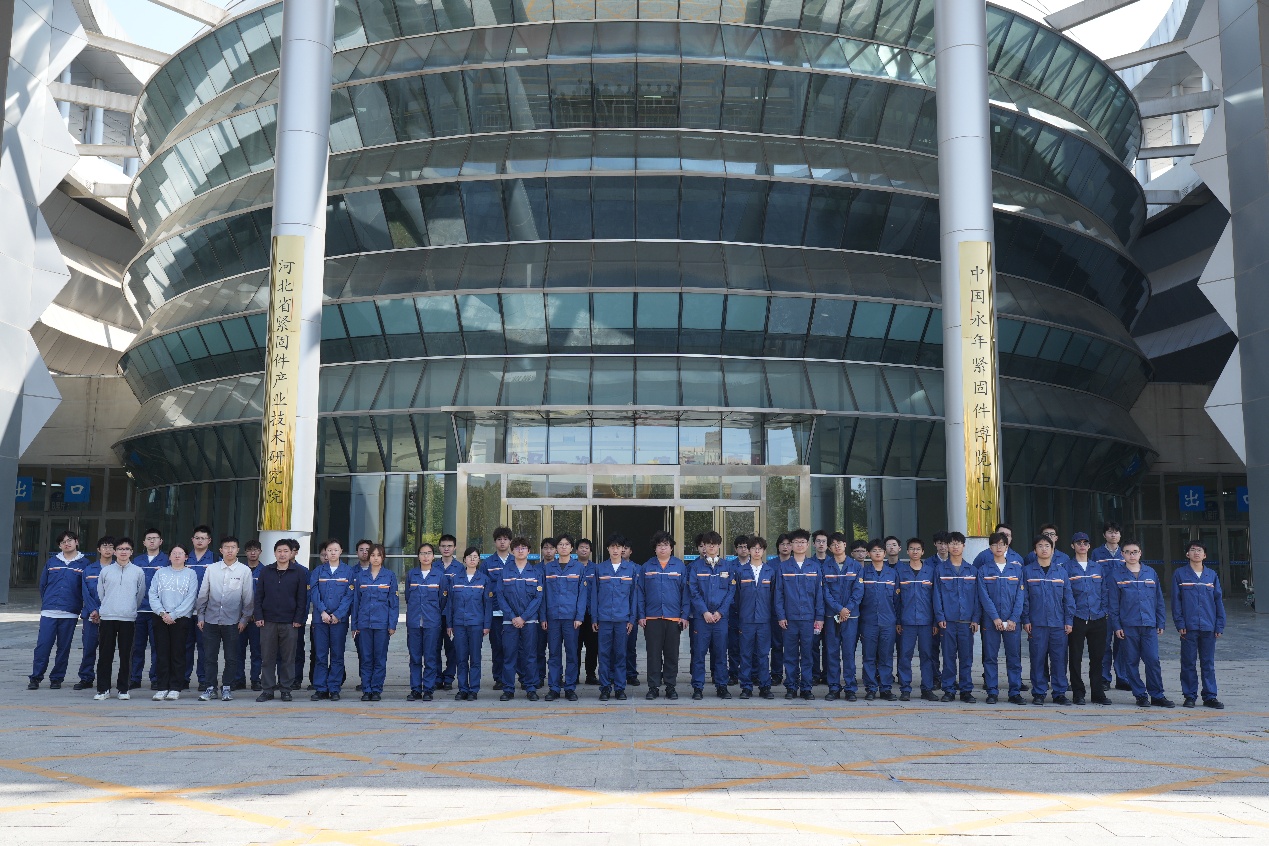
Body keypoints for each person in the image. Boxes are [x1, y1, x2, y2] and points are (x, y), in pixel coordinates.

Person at [1109, 541, 1174, 708]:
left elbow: (1159, 599)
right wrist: (1117, 626)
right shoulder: (1116, 575)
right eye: (1128, 552)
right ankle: (1140, 695)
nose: (1132, 555)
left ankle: (1157, 695)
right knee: (1131, 662)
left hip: (1148, 624)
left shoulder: (1150, 573)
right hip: (1128, 625)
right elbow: (1113, 604)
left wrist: (1160, 621)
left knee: (1153, 660)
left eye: (1135, 552)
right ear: (1122, 554)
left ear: (1140, 553)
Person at [194, 536, 253, 702]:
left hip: (233, 622)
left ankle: (227, 687)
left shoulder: (244, 571)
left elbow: (248, 598)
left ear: (238, 550)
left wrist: (244, 619)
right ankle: (210, 687)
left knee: (231, 657)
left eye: (233, 547)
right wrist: (200, 615)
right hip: (210, 620)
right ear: (221, 550)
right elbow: (203, 594)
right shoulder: (212, 569)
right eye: (226, 547)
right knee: (209, 657)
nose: (229, 550)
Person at [28, 530, 86, 690]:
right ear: (59, 546)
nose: (67, 544)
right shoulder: (52, 562)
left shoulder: (84, 564)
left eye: (70, 540)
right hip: (49, 611)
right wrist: (48, 601)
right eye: (63, 542)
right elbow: (43, 585)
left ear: (76, 542)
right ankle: (35, 677)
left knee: (63, 648)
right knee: (43, 646)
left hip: (70, 612)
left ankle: (57, 678)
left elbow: (85, 589)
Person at [1021, 535, 1074, 706]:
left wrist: (1069, 620)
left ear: (1052, 550)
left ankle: (1059, 693)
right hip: (1037, 624)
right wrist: (1026, 619)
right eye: (1040, 546)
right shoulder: (1027, 571)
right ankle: (1039, 692)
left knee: (1059, 659)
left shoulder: (1061, 572)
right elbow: (1024, 598)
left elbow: (1068, 598)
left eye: (1047, 546)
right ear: (1034, 550)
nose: (1044, 549)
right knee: (1037, 659)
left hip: (1058, 624)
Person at [1172, 540, 1225, 709]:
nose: (1196, 553)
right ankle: (1189, 695)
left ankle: (1210, 696)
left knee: (1208, 663)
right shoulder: (1180, 574)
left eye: (1199, 550)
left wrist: (1219, 624)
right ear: (1187, 554)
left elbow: (1218, 600)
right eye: (1193, 550)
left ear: (1205, 555)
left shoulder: (1211, 575)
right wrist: (1180, 623)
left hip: (1209, 625)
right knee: (1188, 662)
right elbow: (1176, 602)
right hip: (1189, 627)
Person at [637, 530, 689, 701]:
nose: (663, 548)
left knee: (671, 654)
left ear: (671, 548)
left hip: (673, 618)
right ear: (655, 548)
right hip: (652, 618)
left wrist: (684, 615)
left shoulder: (679, 566)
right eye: (659, 545)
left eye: (666, 545)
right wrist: (641, 615)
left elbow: (686, 593)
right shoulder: (647, 567)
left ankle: (670, 686)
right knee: (653, 654)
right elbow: (640, 592)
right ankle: (653, 687)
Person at [254, 539, 308, 702]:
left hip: (290, 622)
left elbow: (302, 598)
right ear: (274, 553)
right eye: (279, 551)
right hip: (268, 621)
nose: (282, 554)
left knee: (288, 658)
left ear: (291, 553)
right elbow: (258, 596)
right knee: (267, 657)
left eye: (285, 551)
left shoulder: (299, 572)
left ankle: (286, 689)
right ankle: (267, 690)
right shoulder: (266, 571)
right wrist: (259, 616)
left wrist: (298, 619)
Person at [93, 537, 146, 700]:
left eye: (127, 549)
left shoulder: (138, 572)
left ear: (131, 552)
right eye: (120, 549)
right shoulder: (106, 571)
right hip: (108, 617)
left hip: (128, 618)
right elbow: (101, 594)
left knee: (126, 655)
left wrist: (129, 608)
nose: (124, 552)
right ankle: (103, 689)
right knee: (105, 655)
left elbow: (140, 595)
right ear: (115, 552)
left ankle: (123, 689)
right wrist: (108, 607)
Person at [775, 529, 824, 701]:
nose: (800, 545)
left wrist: (819, 618)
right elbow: (778, 594)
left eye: (803, 542)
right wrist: (781, 616)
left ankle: (806, 688)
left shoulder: (814, 567)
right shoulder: (783, 567)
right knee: (790, 655)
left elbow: (819, 595)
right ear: (791, 545)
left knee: (808, 654)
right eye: (796, 542)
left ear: (808, 545)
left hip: (809, 619)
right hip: (790, 619)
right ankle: (791, 686)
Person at [978, 532, 1026, 705]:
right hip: (991, 621)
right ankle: (992, 691)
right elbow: (984, 597)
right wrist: (995, 618)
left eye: (1001, 544)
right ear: (990, 548)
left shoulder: (1016, 570)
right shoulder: (984, 570)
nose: (998, 547)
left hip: (1012, 622)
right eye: (994, 544)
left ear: (1007, 547)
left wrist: (1014, 618)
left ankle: (1015, 692)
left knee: (1014, 657)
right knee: (990, 657)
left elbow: (1020, 596)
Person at [688, 531, 735, 700]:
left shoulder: (727, 567)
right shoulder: (696, 567)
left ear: (719, 546)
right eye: (708, 544)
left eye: (714, 544)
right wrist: (704, 611)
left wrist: (720, 612)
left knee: (721, 654)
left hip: (720, 618)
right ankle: (698, 687)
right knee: (699, 654)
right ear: (704, 547)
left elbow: (731, 591)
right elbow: (693, 591)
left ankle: (722, 686)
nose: (711, 547)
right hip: (702, 618)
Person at [148, 543, 199, 701]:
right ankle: (162, 687)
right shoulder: (160, 573)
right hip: (160, 617)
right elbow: (152, 594)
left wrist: (174, 615)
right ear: (169, 556)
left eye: (180, 553)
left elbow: (191, 597)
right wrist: (163, 613)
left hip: (181, 618)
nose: (177, 555)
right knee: (162, 653)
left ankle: (176, 687)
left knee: (178, 653)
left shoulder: (191, 574)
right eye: (174, 553)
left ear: (186, 557)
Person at [1066, 531, 1111, 705]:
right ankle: (1078, 693)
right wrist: (1070, 616)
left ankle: (1098, 693)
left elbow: (1104, 590)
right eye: (1078, 543)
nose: (1082, 545)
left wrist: (1104, 611)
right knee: (1075, 657)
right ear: (1073, 546)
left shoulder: (1097, 567)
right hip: (1077, 617)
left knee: (1098, 658)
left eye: (1085, 542)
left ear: (1089, 546)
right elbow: (1066, 594)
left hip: (1098, 618)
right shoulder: (1067, 568)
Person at [496, 537, 544, 700]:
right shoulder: (505, 572)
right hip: (510, 622)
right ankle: (508, 689)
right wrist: (513, 617)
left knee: (530, 656)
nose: (520, 550)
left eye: (524, 548)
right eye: (517, 548)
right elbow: (500, 596)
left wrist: (523, 617)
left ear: (529, 551)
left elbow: (538, 597)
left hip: (529, 622)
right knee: (509, 656)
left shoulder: (536, 572)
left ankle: (531, 688)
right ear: (512, 551)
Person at [543, 534, 588, 702]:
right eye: (560, 544)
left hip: (571, 618)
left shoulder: (578, 568)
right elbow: (543, 595)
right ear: (556, 548)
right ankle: (554, 688)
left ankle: (570, 687)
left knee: (572, 654)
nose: (563, 547)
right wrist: (543, 617)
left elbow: (582, 595)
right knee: (554, 653)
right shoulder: (548, 568)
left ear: (571, 548)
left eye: (566, 544)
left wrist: (579, 616)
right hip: (553, 617)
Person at [592, 533, 638, 701]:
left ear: (623, 549)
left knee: (620, 654)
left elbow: (634, 597)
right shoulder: (600, 569)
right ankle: (605, 687)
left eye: (619, 547)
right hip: (604, 619)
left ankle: (619, 688)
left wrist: (631, 619)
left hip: (622, 619)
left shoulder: (631, 569)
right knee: (604, 654)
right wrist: (594, 618)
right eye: (612, 547)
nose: (616, 550)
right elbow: (594, 595)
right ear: (608, 549)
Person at [936, 532, 979, 703]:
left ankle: (966, 690)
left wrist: (976, 618)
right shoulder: (940, 570)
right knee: (948, 657)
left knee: (966, 658)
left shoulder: (972, 570)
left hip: (966, 622)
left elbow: (977, 597)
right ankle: (949, 690)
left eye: (958, 543)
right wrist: (940, 616)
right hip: (948, 622)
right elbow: (936, 595)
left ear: (964, 546)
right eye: (952, 543)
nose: (955, 547)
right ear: (947, 546)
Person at [351, 543, 397, 701]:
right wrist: (354, 625)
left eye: (379, 555)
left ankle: (376, 689)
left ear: (383, 557)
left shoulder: (389, 576)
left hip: (382, 624)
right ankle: (366, 689)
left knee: (380, 658)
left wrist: (392, 624)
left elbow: (393, 603)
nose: (375, 558)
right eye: (372, 555)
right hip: (364, 624)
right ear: (368, 557)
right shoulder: (361, 577)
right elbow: (356, 602)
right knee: (366, 658)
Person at [310, 539, 355, 701]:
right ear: (325, 553)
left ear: (341, 551)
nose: (333, 553)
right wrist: (322, 611)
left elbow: (349, 595)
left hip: (339, 621)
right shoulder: (318, 571)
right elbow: (314, 593)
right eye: (329, 550)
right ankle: (321, 688)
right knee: (320, 655)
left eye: (336, 550)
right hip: (320, 620)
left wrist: (338, 614)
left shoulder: (348, 572)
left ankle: (334, 688)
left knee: (337, 655)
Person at [896, 538, 939, 702]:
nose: (915, 551)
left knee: (927, 655)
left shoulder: (930, 571)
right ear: (907, 551)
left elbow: (935, 598)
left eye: (918, 549)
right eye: (912, 549)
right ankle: (905, 689)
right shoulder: (901, 572)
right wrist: (898, 621)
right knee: (905, 656)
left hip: (926, 622)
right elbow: (897, 600)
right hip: (907, 622)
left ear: (923, 552)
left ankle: (927, 688)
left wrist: (935, 622)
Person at [821, 532, 863, 702]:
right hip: (832, 616)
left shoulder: (856, 566)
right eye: (833, 544)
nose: (837, 546)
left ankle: (850, 688)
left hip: (850, 617)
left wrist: (847, 609)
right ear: (829, 548)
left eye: (840, 543)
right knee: (832, 652)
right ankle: (833, 688)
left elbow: (858, 591)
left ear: (845, 545)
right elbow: (825, 592)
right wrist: (839, 609)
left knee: (849, 653)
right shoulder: (825, 567)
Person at [733, 536, 775, 699]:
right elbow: (736, 596)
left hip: (764, 620)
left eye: (760, 548)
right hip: (746, 620)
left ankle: (765, 686)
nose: (757, 551)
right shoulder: (740, 571)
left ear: (763, 551)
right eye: (753, 548)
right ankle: (746, 687)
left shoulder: (770, 571)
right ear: (749, 550)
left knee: (763, 655)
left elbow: (774, 596)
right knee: (745, 654)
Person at [449, 547, 493, 700]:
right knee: (461, 658)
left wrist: (487, 625)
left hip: (476, 624)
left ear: (479, 560)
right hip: (459, 624)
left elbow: (488, 604)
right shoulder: (455, 579)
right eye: (469, 556)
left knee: (475, 658)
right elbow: (450, 604)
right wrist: (449, 624)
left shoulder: (484, 579)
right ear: (464, 559)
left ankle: (473, 689)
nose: (472, 559)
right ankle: (462, 689)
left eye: (475, 557)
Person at [405, 542, 448, 701]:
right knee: (415, 657)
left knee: (430, 657)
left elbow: (443, 600)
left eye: (429, 553)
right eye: (423, 553)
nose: (425, 556)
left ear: (433, 556)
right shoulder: (412, 574)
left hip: (432, 622)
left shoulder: (439, 576)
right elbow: (408, 597)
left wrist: (432, 612)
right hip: (414, 622)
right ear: (418, 556)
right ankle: (416, 689)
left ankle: (428, 689)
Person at [858, 539, 897, 701]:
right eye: (874, 551)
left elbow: (897, 600)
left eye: (880, 550)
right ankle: (871, 688)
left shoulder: (892, 574)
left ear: (885, 553)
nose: (878, 553)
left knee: (886, 656)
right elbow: (859, 598)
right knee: (869, 656)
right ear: (868, 554)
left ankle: (886, 688)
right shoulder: (863, 573)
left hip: (888, 622)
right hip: (868, 621)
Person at [130, 529, 169, 692]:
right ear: (144, 542)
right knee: (136, 647)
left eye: (155, 538)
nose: (152, 541)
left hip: (158, 611)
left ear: (161, 541)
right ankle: (134, 678)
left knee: (157, 647)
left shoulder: (167, 560)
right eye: (149, 538)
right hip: (139, 610)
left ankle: (156, 678)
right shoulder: (136, 561)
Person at [1092, 522, 1127, 692]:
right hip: (1103, 603)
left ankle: (1122, 677)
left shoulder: (1126, 552)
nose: (1113, 535)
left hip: (1123, 603)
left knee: (1122, 642)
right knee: (1104, 643)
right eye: (1110, 532)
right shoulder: (1097, 553)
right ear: (1104, 535)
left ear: (1120, 535)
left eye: (1116, 532)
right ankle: (1104, 678)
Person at [74, 537, 110, 690]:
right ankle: (86, 678)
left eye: (111, 546)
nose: (108, 549)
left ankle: (105, 679)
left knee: (107, 650)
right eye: (104, 546)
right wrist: (94, 610)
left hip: (110, 616)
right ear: (98, 549)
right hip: (91, 616)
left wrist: (102, 611)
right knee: (88, 648)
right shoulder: (89, 569)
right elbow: (85, 593)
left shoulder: (118, 569)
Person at [482, 527, 513, 690]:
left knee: (515, 647)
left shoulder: (516, 561)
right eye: (499, 539)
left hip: (514, 613)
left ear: (510, 542)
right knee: (497, 646)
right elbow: (483, 589)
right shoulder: (487, 563)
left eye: (505, 539)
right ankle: (499, 678)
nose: (502, 542)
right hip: (495, 611)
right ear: (495, 542)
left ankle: (520, 677)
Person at [185, 526, 215, 691]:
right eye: (197, 538)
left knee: (205, 648)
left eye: (203, 538)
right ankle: (183, 678)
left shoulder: (215, 559)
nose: (200, 541)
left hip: (206, 611)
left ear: (209, 541)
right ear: (192, 540)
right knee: (185, 646)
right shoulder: (184, 557)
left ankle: (204, 679)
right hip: (185, 611)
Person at [234, 540, 264, 691]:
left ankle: (255, 679)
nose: (253, 553)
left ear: (260, 552)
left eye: (256, 550)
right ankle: (238, 679)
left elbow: (265, 596)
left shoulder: (265, 571)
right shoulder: (238, 570)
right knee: (238, 651)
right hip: (239, 618)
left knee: (257, 651)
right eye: (250, 550)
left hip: (257, 620)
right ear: (245, 552)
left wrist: (256, 614)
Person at [576, 537, 600, 685]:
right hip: (575, 615)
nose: (584, 550)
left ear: (590, 551)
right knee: (575, 646)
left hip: (591, 614)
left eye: (586, 548)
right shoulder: (572, 568)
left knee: (592, 646)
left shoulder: (596, 569)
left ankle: (590, 674)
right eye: (581, 547)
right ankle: (574, 675)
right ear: (576, 550)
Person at [726, 535, 750, 686]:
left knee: (750, 644)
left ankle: (752, 673)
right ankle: (733, 673)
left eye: (746, 546)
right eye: (740, 547)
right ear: (735, 549)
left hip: (750, 611)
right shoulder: (729, 566)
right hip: (733, 610)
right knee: (733, 644)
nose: (743, 549)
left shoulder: (755, 565)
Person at [350, 538, 373, 691]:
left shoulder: (380, 571)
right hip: (358, 616)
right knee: (362, 651)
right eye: (361, 550)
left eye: (367, 550)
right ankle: (365, 680)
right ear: (357, 552)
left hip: (377, 618)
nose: (365, 552)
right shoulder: (351, 572)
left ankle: (374, 681)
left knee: (376, 652)